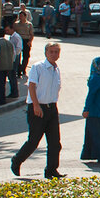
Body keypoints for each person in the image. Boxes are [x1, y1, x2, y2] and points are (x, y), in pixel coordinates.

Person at [11, 41, 64, 179]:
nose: (54, 54)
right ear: (46, 53)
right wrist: (35, 105)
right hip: (38, 108)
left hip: (51, 108)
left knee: (55, 142)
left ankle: (51, 170)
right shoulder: (38, 67)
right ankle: (17, 160)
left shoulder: (56, 69)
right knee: (34, 141)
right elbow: (32, 86)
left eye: (56, 52)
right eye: (51, 52)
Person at [14, 10, 35, 76]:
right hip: (18, 40)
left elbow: (31, 34)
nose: (20, 17)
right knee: (17, 56)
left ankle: (23, 68)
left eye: (22, 16)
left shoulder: (29, 24)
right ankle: (18, 70)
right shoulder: (16, 24)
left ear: (25, 17)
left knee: (26, 56)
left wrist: (30, 41)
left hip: (26, 40)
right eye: (19, 16)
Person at [5, 23, 23, 98]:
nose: (7, 31)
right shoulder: (12, 37)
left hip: (14, 59)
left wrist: (13, 57)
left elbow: (18, 48)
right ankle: (13, 91)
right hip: (12, 58)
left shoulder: (16, 37)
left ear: (12, 29)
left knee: (12, 75)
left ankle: (14, 92)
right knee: (10, 76)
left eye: (8, 30)